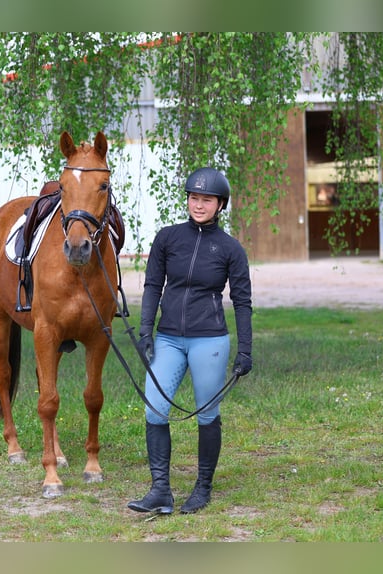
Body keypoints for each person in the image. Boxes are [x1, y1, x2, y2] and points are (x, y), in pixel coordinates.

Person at [127, 167, 253, 515]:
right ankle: (160, 490)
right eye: (194, 198)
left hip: (209, 341)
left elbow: (242, 302)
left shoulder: (230, 249)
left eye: (207, 199)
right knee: (155, 410)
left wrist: (245, 350)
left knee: (206, 414)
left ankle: (203, 487)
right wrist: (145, 332)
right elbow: (153, 286)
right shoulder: (167, 239)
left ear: (220, 204)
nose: (199, 205)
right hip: (168, 338)